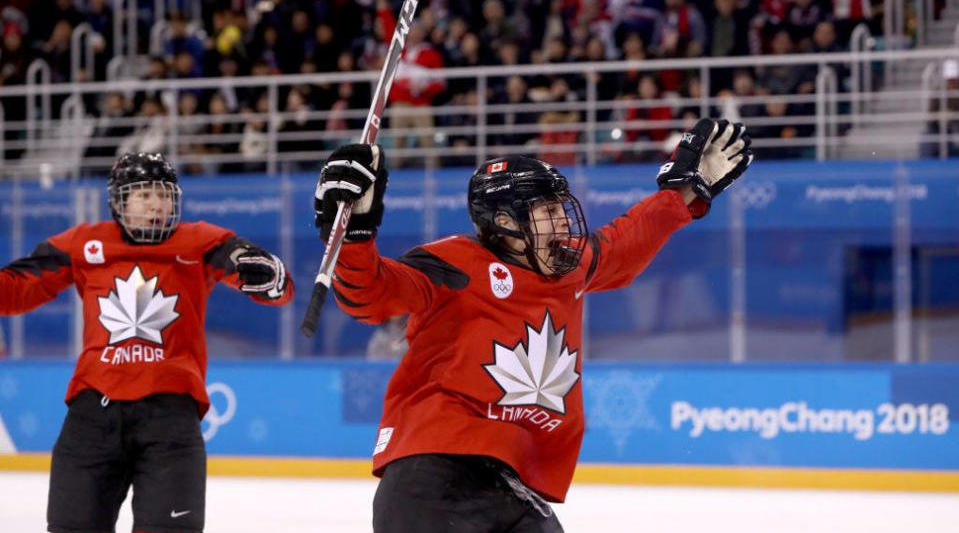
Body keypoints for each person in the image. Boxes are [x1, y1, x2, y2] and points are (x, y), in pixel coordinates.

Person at [313, 119, 753, 532]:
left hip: (509, 482)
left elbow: (626, 242)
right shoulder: (453, 263)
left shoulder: (568, 266)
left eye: (560, 204)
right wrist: (354, 235)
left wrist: (682, 193)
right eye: (546, 208)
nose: (562, 217)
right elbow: (371, 297)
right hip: (433, 474)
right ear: (504, 222)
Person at [0, 152, 294, 533]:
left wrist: (270, 279)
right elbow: (13, 293)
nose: (157, 204)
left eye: (164, 194)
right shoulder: (84, 244)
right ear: (120, 202)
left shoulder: (201, 242)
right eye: (144, 195)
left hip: (170, 418)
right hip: (92, 415)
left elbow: (273, 284)